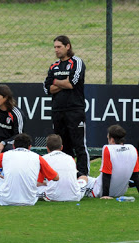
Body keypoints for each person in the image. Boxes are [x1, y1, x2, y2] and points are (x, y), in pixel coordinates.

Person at [43, 35, 89, 177]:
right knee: (63, 146)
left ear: (67, 46)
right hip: (58, 111)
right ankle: (67, 175)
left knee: (79, 145)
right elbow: (47, 89)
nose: (56, 50)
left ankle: (83, 177)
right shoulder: (54, 65)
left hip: (75, 110)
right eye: (55, 47)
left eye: (59, 47)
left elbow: (72, 83)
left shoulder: (77, 62)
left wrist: (56, 82)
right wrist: (62, 82)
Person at [0, 133, 59, 206]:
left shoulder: (5, 155)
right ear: (30, 147)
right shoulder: (38, 157)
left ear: (14, 146)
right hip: (30, 200)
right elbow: (56, 178)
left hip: (7, 199)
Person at [85, 125, 139, 199]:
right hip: (120, 192)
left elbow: (106, 174)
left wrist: (105, 195)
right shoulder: (132, 149)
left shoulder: (108, 149)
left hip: (98, 190)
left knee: (80, 178)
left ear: (112, 140)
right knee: (88, 178)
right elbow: (136, 175)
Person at [37, 134, 88, 202]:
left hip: (53, 196)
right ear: (61, 147)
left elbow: (38, 183)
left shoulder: (43, 159)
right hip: (75, 196)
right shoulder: (70, 158)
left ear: (47, 148)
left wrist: (46, 183)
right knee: (84, 178)